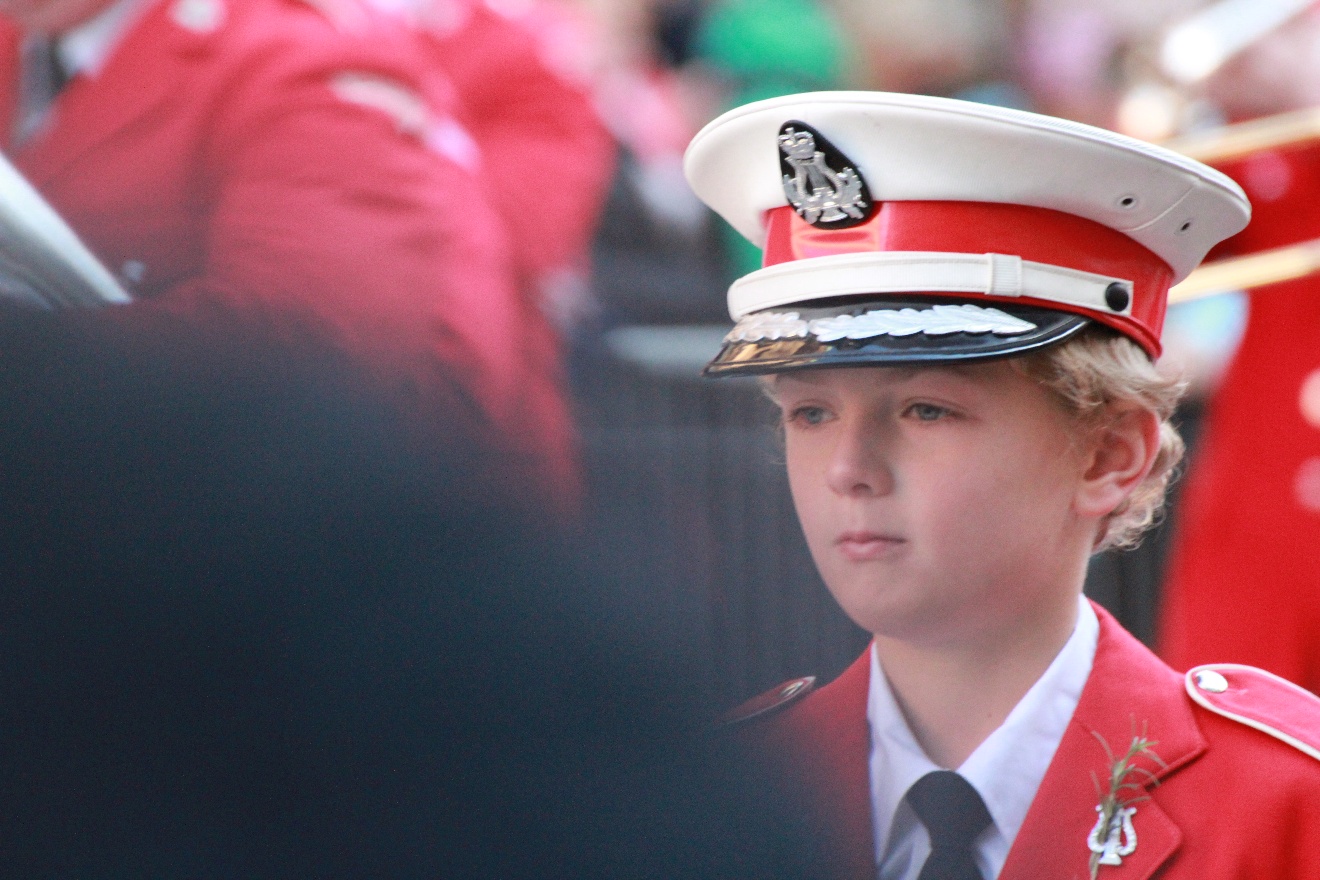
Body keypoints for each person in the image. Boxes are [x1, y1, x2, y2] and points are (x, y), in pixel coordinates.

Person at [683, 91, 1320, 878]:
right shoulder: (709, 799)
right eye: (810, 413)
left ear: (1108, 455)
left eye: (925, 409)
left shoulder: (1286, 803)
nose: (849, 469)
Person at [0, 0, 567, 507]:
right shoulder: (24, 41)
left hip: (364, 554)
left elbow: (308, 351)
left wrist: (30, 358)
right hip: (130, 516)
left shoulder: (305, 54)